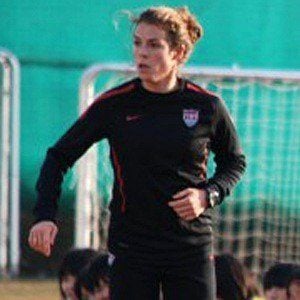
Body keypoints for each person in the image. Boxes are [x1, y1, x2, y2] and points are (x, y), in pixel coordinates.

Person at [28, 5, 246, 300]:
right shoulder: (114, 105)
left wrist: (208, 195)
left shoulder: (208, 106)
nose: (142, 53)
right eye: (137, 43)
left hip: (190, 248)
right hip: (132, 248)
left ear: (179, 52)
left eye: (154, 45)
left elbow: (234, 162)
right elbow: (58, 157)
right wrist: (44, 215)